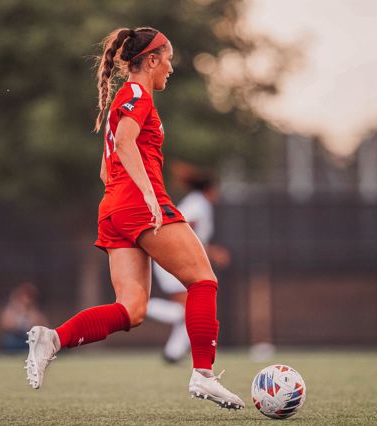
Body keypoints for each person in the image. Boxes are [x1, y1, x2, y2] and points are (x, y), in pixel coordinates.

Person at [24, 27, 245, 409]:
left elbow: (105, 171)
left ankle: (53, 339)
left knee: (132, 309)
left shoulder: (124, 99)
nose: (171, 68)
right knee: (203, 280)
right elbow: (126, 144)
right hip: (137, 204)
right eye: (168, 60)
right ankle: (203, 375)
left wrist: (128, 200)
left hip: (114, 208)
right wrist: (147, 195)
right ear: (152, 60)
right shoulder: (138, 94)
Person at [147, 171, 231, 364]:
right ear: (210, 189)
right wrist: (212, 253)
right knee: (189, 311)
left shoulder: (199, 203)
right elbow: (184, 230)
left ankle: (173, 353)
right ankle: (139, 306)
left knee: (190, 311)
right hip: (175, 259)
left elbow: (193, 238)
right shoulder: (198, 204)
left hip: (179, 258)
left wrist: (211, 252)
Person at [0, 282, 49, 352]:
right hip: (15, 338)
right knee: (9, 341)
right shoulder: (11, 309)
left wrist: (30, 313)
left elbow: (44, 326)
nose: (26, 299)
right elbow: (5, 324)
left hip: (29, 338)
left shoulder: (34, 310)